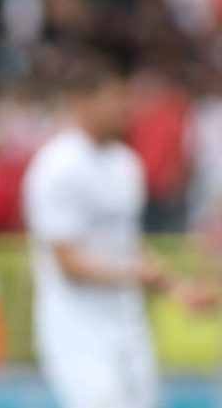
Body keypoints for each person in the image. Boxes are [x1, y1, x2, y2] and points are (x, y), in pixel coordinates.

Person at [23, 56, 206, 408]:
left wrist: (178, 288)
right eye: (113, 98)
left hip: (126, 323)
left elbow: (127, 247)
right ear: (83, 101)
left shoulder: (126, 165)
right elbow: (66, 260)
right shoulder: (58, 166)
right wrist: (133, 275)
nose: (124, 108)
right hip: (76, 326)